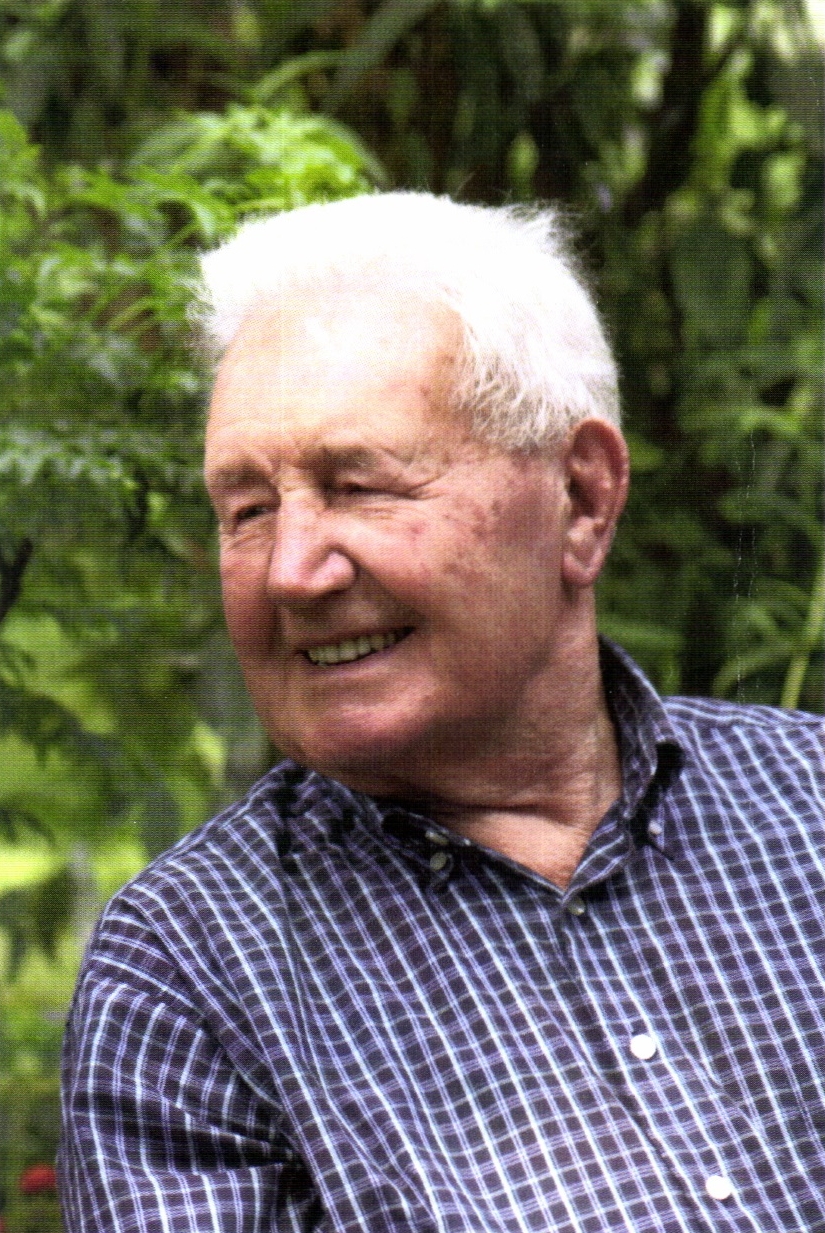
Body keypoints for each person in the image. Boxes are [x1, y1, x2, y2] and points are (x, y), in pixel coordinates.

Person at [59, 193, 825, 1233]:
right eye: (248, 510)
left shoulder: (806, 801)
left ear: (582, 500)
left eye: (359, 486)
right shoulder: (191, 977)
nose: (292, 572)